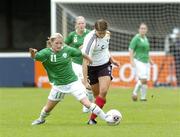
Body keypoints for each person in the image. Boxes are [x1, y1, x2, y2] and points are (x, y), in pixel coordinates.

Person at [30, 33, 111, 125]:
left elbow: (80, 53)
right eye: (57, 43)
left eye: (61, 43)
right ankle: (41, 119)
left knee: (86, 103)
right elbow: (35, 57)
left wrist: (89, 58)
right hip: (58, 85)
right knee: (48, 108)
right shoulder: (46, 53)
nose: (59, 45)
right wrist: (32, 53)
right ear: (51, 43)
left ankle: (106, 118)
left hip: (73, 83)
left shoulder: (67, 50)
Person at [82, 19, 120, 125]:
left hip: (104, 65)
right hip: (92, 68)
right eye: (99, 33)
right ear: (95, 30)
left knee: (103, 92)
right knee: (98, 96)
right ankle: (96, 110)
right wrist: (85, 81)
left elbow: (105, 48)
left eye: (103, 32)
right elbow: (85, 61)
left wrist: (112, 60)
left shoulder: (107, 34)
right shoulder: (90, 40)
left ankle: (91, 119)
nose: (102, 35)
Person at [64, 16, 93, 113]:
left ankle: (89, 103)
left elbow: (94, 44)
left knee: (89, 85)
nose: (81, 25)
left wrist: (85, 46)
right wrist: (74, 50)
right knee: (82, 82)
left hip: (88, 62)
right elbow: (64, 45)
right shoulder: (72, 35)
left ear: (85, 24)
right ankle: (87, 105)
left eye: (83, 23)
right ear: (76, 24)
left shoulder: (89, 33)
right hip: (76, 63)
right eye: (79, 23)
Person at [129, 23, 153, 101]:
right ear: (139, 29)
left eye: (144, 28)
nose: (143, 30)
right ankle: (135, 93)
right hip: (139, 61)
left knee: (145, 81)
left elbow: (147, 51)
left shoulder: (146, 38)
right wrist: (131, 60)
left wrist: (150, 60)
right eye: (141, 28)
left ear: (146, 30)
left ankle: (143, 98)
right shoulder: (136, 38)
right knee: (143, 78)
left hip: (146, 62)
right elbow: (131, 49)